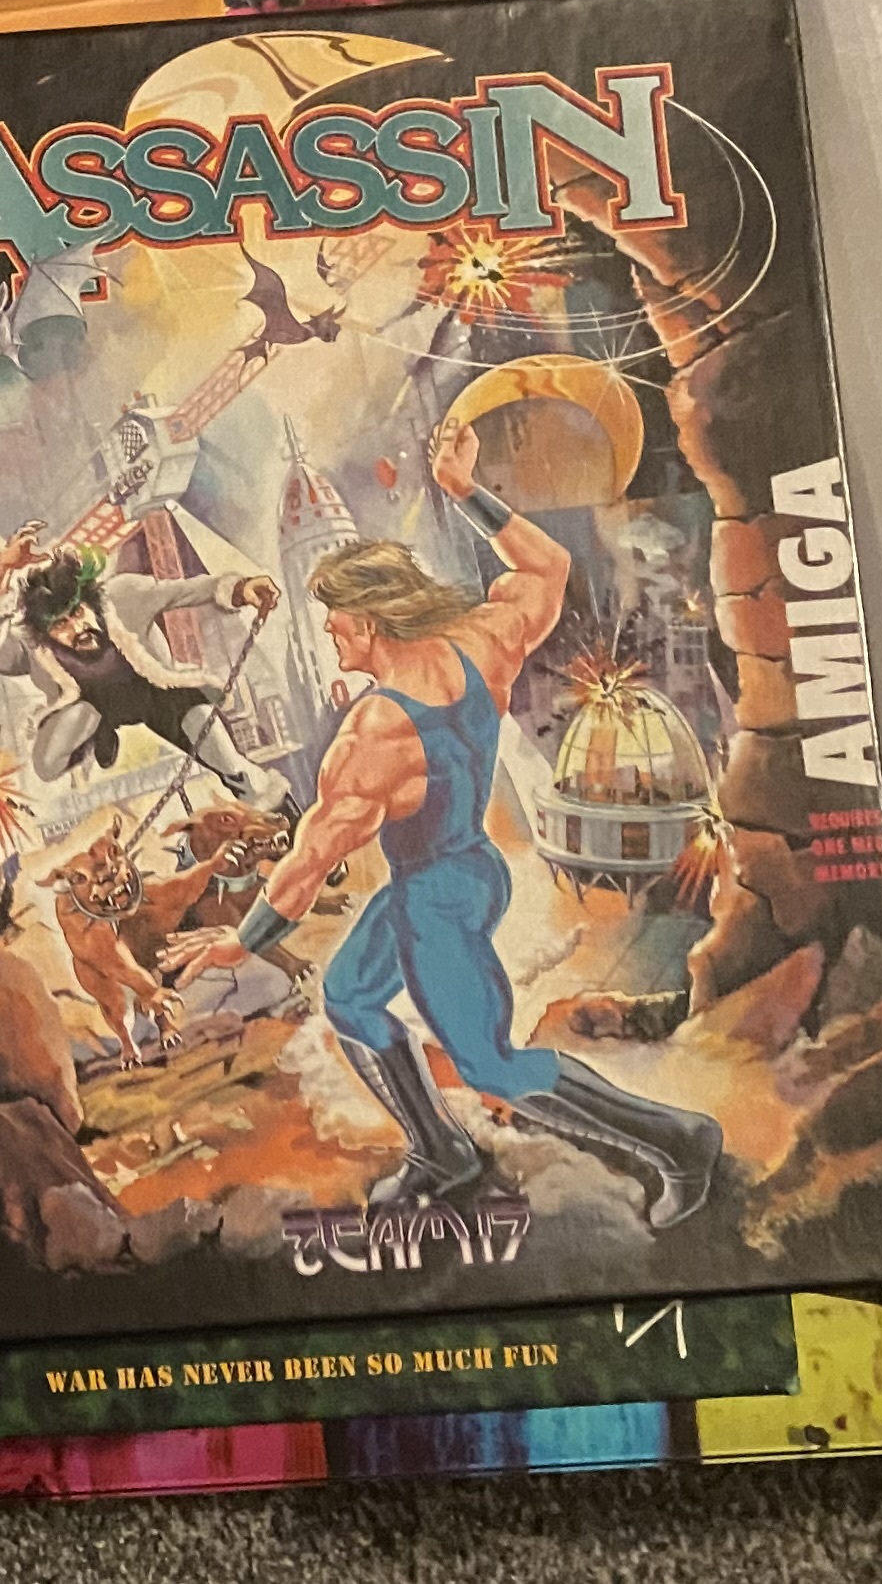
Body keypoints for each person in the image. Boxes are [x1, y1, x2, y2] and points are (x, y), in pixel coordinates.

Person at [163, 419, 723, 1223]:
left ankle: (679, 1141)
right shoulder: (481, 639)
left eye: (336, 620)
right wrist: (467, 493)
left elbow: (311, 859)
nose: (330, 634)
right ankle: (443, 1153)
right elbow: (549, 566)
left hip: (437, 903)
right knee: (351, 995)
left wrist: (239, 941)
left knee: (491, 1065)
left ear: (371, 622)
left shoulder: (373, 736)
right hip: (463, 872)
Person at [0, 524, 283, 807]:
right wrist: (1, 573)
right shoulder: (38, 650)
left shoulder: (125, 595)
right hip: (93, 711)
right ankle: (100, 737)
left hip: (156, 692)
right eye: (60, 626)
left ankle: (257, 793)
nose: (76, 629)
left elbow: (184, 591)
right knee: (47, 763)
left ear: (92, 603)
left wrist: (241, 589)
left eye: (78, 613)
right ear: (46, 632)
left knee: (220, 750)